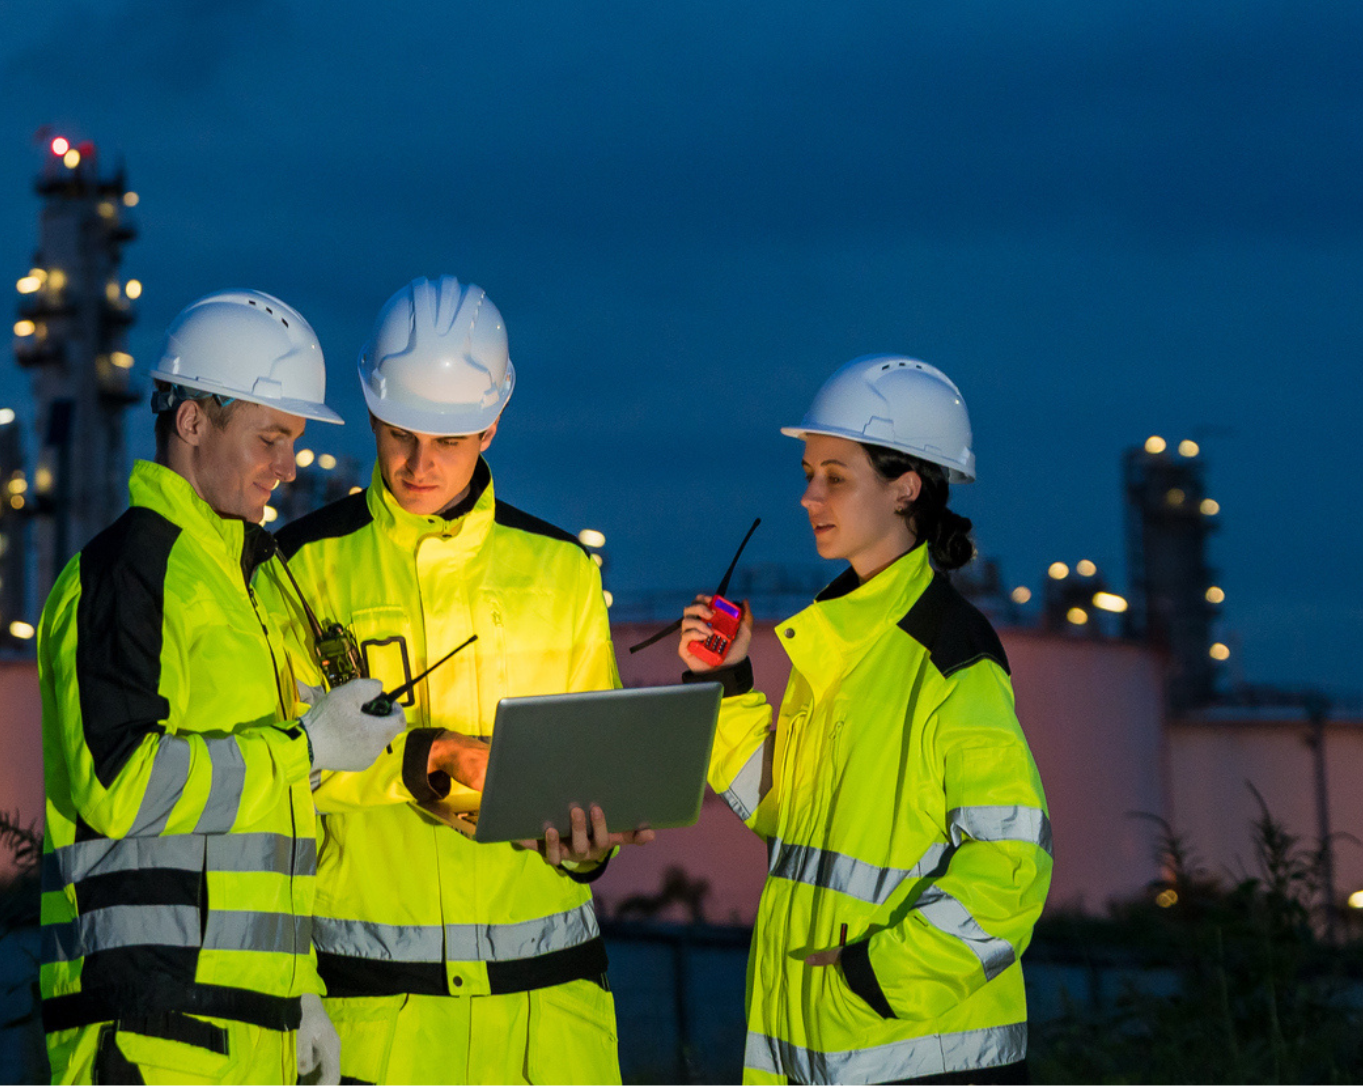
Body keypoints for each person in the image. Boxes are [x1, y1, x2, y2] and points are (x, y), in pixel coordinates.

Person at [275, 276, 646, 1084]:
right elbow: (281, 768)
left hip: (546, 1028)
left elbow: (592, 768)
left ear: (493, 424)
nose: (418, 464)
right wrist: (423, 760)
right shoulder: (299, 569)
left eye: (448, 440)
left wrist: (589, 848)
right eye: (401, 434)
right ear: (371, 412)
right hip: (377, 1025)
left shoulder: (561, 572)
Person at [39, 289, 407, 1085]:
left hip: (248, 1031)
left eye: (295, 441)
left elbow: (255, 819)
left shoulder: (250, 589)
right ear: (193, 422)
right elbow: (122, 786)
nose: (288, 465)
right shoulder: (128, 573)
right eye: (270, 437)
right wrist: (305, 746)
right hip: (147, 1037)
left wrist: (300, 995)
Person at [683, 354, 1051, 1085]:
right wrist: (726, 682)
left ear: (905, 487)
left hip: (917, 1058)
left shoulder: (951, 656)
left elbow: (1012, 865)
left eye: (835, 477)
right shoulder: (842, 647)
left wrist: (877, 975)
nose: (808, 496)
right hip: (822, 1048)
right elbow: (785, 816)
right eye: (808, 473)